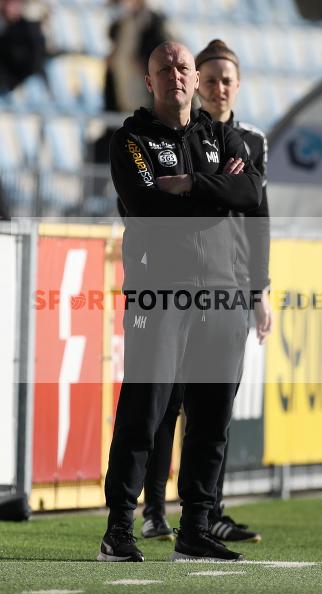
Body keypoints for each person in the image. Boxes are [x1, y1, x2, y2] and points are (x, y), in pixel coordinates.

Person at [100, 41, 261, 563]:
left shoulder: (219, 134)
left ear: (194, 79)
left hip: (223, 293)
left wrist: (191, 184)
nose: (175, 74)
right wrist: (218, 191)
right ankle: (118, 528)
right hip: (160, 293)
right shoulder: (132, 140)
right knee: (145, 412)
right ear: (149, 81)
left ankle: (195, 528)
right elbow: (148, 206)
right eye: (164, 68)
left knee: (212, 418)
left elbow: (250, 192)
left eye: (183, 67)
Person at [140, 39, 270, 546]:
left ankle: (207, 511)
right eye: (210, 79)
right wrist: (216, 182)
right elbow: (157, 199)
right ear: (198, 83)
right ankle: (155, 507)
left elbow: (255, 210)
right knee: (167, 401)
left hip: (230, 281)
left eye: (225, 81)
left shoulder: (249, 140)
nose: (217, 88)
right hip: (182, 280)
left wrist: (259, 287)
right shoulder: (182, 133)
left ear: (237, 85)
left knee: (215, 407)